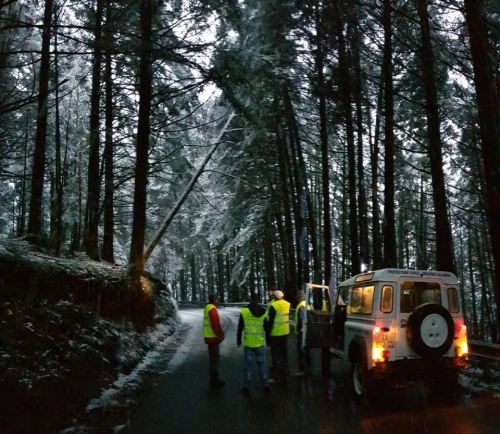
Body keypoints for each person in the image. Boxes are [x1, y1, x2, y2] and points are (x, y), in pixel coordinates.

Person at [237, 294, 270, 396]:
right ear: (258, 300)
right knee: (261, 364)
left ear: (250, 300)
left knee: (247, 365)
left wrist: (238, 339)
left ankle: (247, 386)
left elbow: (240, 327)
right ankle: (265, 384)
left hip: (248, 343)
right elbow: (267, 328)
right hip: (259, 342)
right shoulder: (264, 312)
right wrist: (268, 340)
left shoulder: (245, 312)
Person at [266, 289, 291, 383]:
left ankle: (277, 376)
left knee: (276, 355)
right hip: (285, 332)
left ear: (275, 297)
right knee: (284, 353)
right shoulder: (287, 304)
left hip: (275, 333)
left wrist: (268, 332)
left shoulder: (274, 305)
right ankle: (286, 371)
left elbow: (271, 321)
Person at [203, 293, 225, 388]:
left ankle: (212, 380)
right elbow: (215, 324)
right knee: (215, 359)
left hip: (209, 337)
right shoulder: (212, 309)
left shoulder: (207, 308)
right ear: (214, 300)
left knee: (212, 359)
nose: (218, 300)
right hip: (213, 338)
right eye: (216, 298)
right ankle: (214, 381)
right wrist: (220, 335)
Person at [294, 289, 312, 377]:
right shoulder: (307, 304)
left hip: (302, 332)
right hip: (307, 331)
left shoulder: (301, 306)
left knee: (302, 351)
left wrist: (297, 330)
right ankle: (309, 367)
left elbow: (300, 319)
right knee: (307, 350)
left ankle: (303, 370)